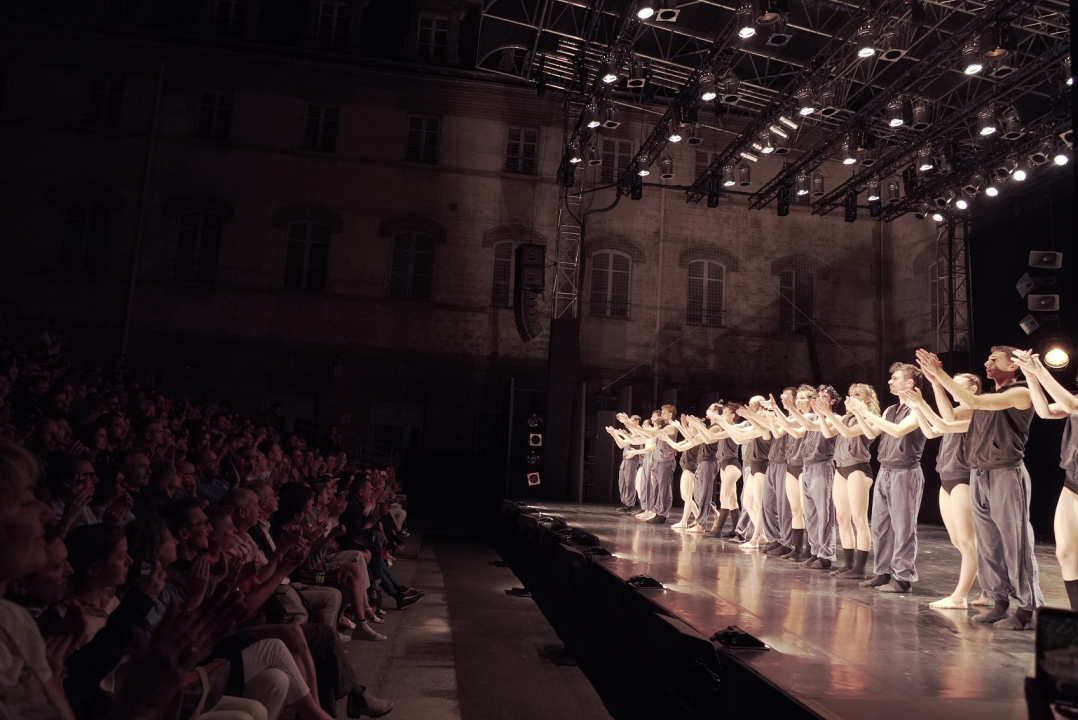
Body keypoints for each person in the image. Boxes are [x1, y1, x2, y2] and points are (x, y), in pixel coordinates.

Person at [918, 347, 1044, 629]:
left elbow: (972, 399)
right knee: (988, 542)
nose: (987, 363)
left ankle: (1027, 608)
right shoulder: (985, 399)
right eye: (986, 358)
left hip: (1006, 472)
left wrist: (940, 373)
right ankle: (999, 602)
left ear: (1013, 367)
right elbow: (949, 417)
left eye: (994, 359)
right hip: (979, 473)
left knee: (1015, 541)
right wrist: (937, 384)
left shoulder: (1021, 393)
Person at [900, 374, 987, 608]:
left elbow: (943, 422)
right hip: (947, 475)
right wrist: (917, 407)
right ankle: (991, 588)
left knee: (968, 541)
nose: (953, 388)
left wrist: (929, 395)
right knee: (958, 540)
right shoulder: (956, 410)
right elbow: (932, 432)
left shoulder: (974, 409)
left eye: (959, 384)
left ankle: (960, 596)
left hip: (964, 476)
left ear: (974, 388)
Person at [847, 363, 927, 594]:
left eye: (896, 378)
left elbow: (898, 431)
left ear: (910, 383)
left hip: (905, 471)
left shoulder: (917, 408)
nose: (890, 381)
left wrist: (864, 412)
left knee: (903, 526)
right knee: (881, 525)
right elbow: (872, 432)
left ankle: (903, 578)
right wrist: (862, 414)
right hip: (885, 470)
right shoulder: (891, 409)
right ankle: (883, 572)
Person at [1012, 350, 1078, 609]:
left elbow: (1071, 406)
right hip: (1073, 481)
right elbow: (1044, 411)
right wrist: (1030, 376)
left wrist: (1039, 369)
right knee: (1065, 552)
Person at [813, 384, 878, 579]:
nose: (852, 397)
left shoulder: (869, 419)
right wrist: (824, 415)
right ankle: (849, 563)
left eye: (857, 394)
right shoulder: (845, 418)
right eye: (850, 394)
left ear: (868, 399)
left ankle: (860, 567)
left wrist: (829, 414)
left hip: (858, 468)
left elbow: (849, 433)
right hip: (841, 468)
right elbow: (827, 433)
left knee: (858, 519)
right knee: (842, 517)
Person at [606, 419, 642, 513]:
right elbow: (621, 445)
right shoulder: (629, 434)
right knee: (622, 482)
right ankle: (625, 502)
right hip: (625, 459)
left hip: (632, 459)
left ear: (637, 422)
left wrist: (616, 433)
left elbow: (625, 442)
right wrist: (614, 434)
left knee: (629, 482)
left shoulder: (638, 433)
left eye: (631, 421)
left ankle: (629, 504)